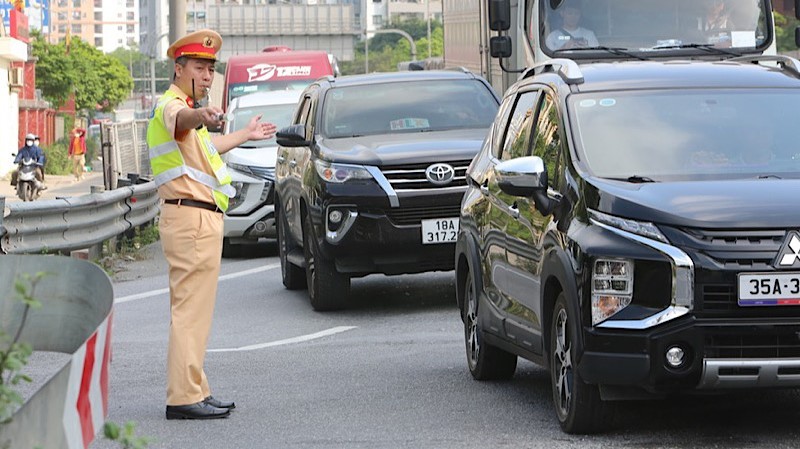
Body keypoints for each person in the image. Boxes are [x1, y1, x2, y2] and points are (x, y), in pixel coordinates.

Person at [147, 29, 276, 420]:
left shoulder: (187, 111)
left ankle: (195, 389)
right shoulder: (172, 107)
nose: (207, 76)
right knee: (190, 313)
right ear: (179, 69)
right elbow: (181, 119)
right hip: (190, 218)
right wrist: (198, 114)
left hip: (197, 218)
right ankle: (183, 397)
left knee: (195, 313)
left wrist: (244, 134)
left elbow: (207, 147)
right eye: (200, 68)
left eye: (210, 70)